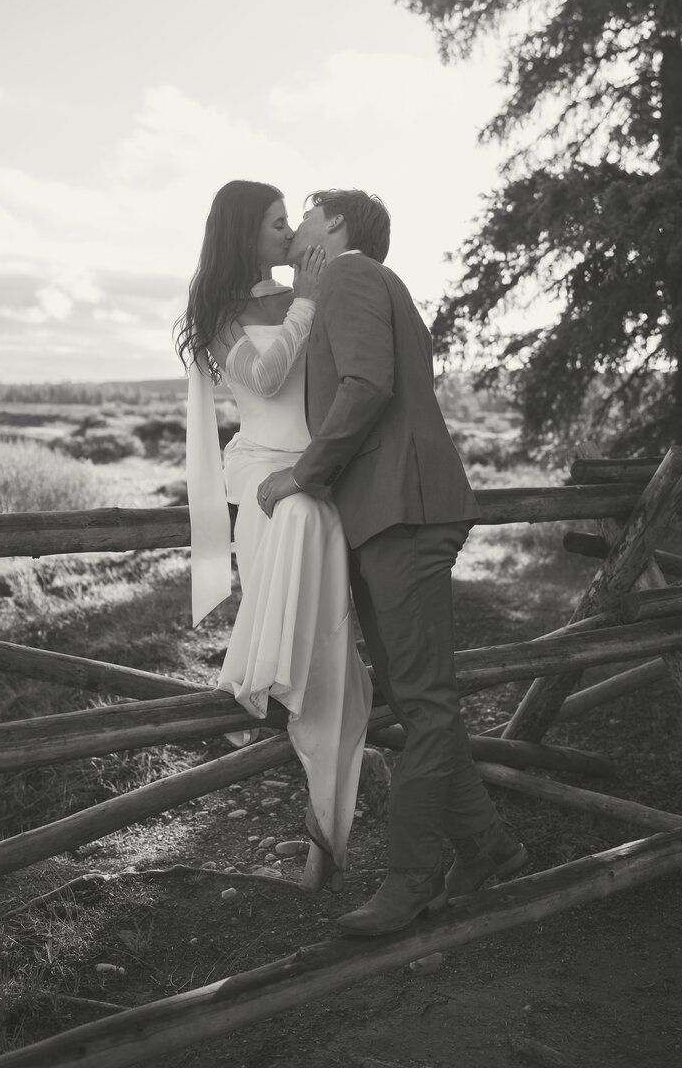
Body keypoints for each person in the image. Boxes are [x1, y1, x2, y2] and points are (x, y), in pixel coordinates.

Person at [257, 188, 527, 936]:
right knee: (417, 700)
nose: (299, 226)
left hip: (403, 510)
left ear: (336, 224)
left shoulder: (350, 274)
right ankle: (490, 846)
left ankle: (412, 879)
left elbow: (368, 385)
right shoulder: (365, 284)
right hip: (387, 515)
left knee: (427, 702)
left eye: (306, 212)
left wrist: (304, 474)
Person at [176, 180, 373, 892]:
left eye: (292, 218)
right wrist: (310, 303)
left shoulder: (306, 298)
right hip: (263, 484)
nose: (290, 231)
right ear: (244, 234)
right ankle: (260, 682)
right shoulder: (224, 313)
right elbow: (263, 374)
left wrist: (315, 297)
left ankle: (325, 847)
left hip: (316, 480)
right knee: (294, 546)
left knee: (331, 660)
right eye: (276, 221)